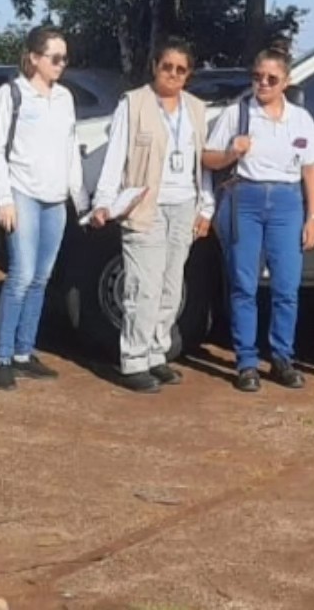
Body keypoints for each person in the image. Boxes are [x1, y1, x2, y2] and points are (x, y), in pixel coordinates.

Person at [90, 39, 214, 393]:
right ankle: (133, 360)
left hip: (184, 205)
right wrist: (104, 200)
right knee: (143, 286)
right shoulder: (133, 104)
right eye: (167, 67)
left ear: (189, 74)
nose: (173, 74)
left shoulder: (195, 109)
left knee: (171, 287)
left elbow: (202, 162)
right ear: (155, 66)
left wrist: (206, 206)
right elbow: (115, 157)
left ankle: (157, 354)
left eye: (181, 69)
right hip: (146, 206)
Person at [202, 44, 314, 393]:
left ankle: (283, 357)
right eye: (257, 77)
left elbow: (312, 168)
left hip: (288, 201)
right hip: (245, 198)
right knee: (244, 284)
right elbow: (208, 158)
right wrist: (230, 152)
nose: (263, 83)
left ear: (286, 81)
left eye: (272, 78)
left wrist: (313, 215)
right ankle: (246, 361)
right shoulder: (238, 113)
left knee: (287, 286)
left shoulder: (299, 118)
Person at [0, 26, 87, 391]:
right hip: (23, 195)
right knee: (21, 275)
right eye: (54, 57)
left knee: (42, 278)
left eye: (64, 58)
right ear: (34, 58)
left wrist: (80, 198)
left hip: (55, 200)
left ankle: (24, 353)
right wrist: (6, 199)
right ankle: (2, 356)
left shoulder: (64, 98)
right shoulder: (11, 94)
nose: (61, 64)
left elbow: (70, 148)